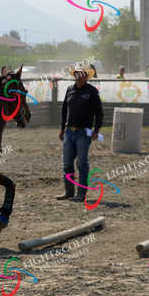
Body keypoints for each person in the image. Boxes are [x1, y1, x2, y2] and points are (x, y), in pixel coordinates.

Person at [57, 65, 104, 202]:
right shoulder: (70, 89)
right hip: (69, 131)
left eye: (82, 74)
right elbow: (64, 110)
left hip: (84, 132)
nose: (79, 76)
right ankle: (69, 192)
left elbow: (99, 112)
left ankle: (81, 193)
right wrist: (62, 128)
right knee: (67, 163)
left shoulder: (92, 91)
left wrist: (96, 130)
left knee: (82, 163)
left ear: (86, 77)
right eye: (77, 74)